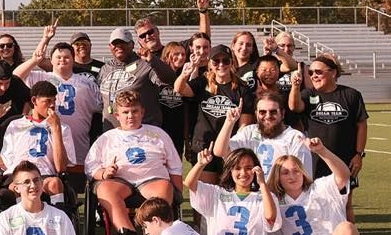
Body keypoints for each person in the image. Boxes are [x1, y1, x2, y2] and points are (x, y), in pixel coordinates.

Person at [84, 90, 183, 235]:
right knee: (105, 189)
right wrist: (104, 173)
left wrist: (178, 192)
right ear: (117, 115)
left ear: (142, 112)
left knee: (164, 188)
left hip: (152, 178)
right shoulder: (107, 138)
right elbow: (90, 166)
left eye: (135, 111)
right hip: (119, 181)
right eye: (125, 112)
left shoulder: (158, 134)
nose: (130, 116)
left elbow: (174, 166)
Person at [288, 54, 367, 220]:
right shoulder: (308, 94)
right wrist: (295, 86)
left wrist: (359, 154)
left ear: (333, 72)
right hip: (314, 160)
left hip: (344, 159)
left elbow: (361, 125)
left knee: (345, 203)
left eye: (318, 72)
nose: (314, 76)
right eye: (310, 73)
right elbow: (294, 107)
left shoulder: (351, 95)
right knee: (315, 202)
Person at [12, 24, 100, 166]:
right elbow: (15, 78)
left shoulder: (87, 83)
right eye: (58, 57)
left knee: (76, 183)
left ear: (73, 59)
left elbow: (99, 106)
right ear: (51, 60)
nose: (62, 60)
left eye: (66, 57)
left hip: (78, 142)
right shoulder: (41, 77)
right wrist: (35, 59)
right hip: (46, 145)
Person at [175, 44, 255, 182]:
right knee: (206, 195)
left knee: (228, 193)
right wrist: (184, 74)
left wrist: (233, 150)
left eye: (226, 60)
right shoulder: (202, 82)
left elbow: (244, 125)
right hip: (204, 146)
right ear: (210, 63)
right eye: (216, 61)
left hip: (229, 147)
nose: (221, 64)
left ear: (231, 62)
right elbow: (179, 89)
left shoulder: (242, 88)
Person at [0, 81, 76, 203]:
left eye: (54, 101)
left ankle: (58, 218)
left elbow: (61, 168)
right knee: (15, 188)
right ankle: (22, 219)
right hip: (18, 174)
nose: (52, 105)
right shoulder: (15, 125)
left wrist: (56, 129)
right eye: (47, 101)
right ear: (34, 101)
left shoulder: (63, 128)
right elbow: (7, 161)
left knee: (55, 183)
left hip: (44, 174)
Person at [213, 91, 309, 178]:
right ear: (256, 114)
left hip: (280, 194)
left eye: (273, 112)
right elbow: (220, 151)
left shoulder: (295, 137)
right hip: (252, 194)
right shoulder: (248, 132)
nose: (268, 116)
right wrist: (229, 122)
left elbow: (301, 177)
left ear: (282, 113)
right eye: (262, 112)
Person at [97, 27, 169, 130]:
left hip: (143, 133)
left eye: (123, 42)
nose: (119, 46)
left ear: (132, 44)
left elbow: (168, 79)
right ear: (110, 46)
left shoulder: (145, 64)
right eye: (115, 43)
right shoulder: (105, 69)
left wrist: (153, 61)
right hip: (113, 135)